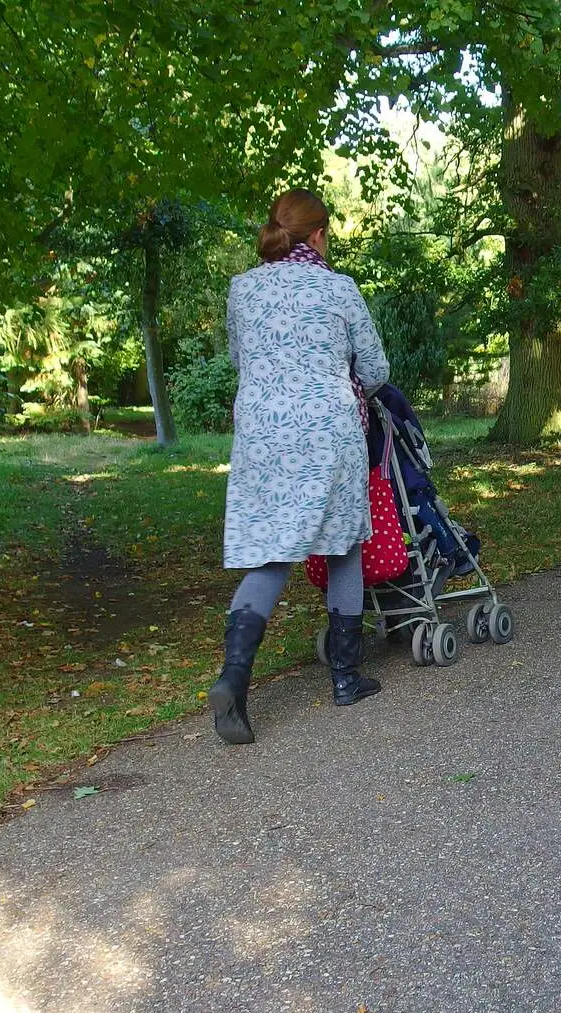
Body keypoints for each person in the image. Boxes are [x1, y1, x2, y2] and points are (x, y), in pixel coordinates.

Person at [208, 188, 389, 745]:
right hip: (327, 434)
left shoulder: (243, 288)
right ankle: (345, 677)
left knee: (270, 552)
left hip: (263, 437)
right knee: (343, 545)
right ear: (318, 235)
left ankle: (234, 679)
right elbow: (376, 368)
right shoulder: (338, 289)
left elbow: (242, 359)